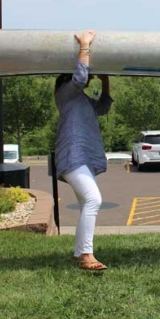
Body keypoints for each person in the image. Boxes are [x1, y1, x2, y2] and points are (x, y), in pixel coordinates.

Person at [54, 29, 112, 271]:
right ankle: (87, 256)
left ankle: (80, 254)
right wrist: (85, 45)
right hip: (73, 156)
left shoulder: (80, 100)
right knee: (93, 199)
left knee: (87, 202)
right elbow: (79, 78)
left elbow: (103, 107)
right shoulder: (66, 92)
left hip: (81, 157)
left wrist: (106, 80)